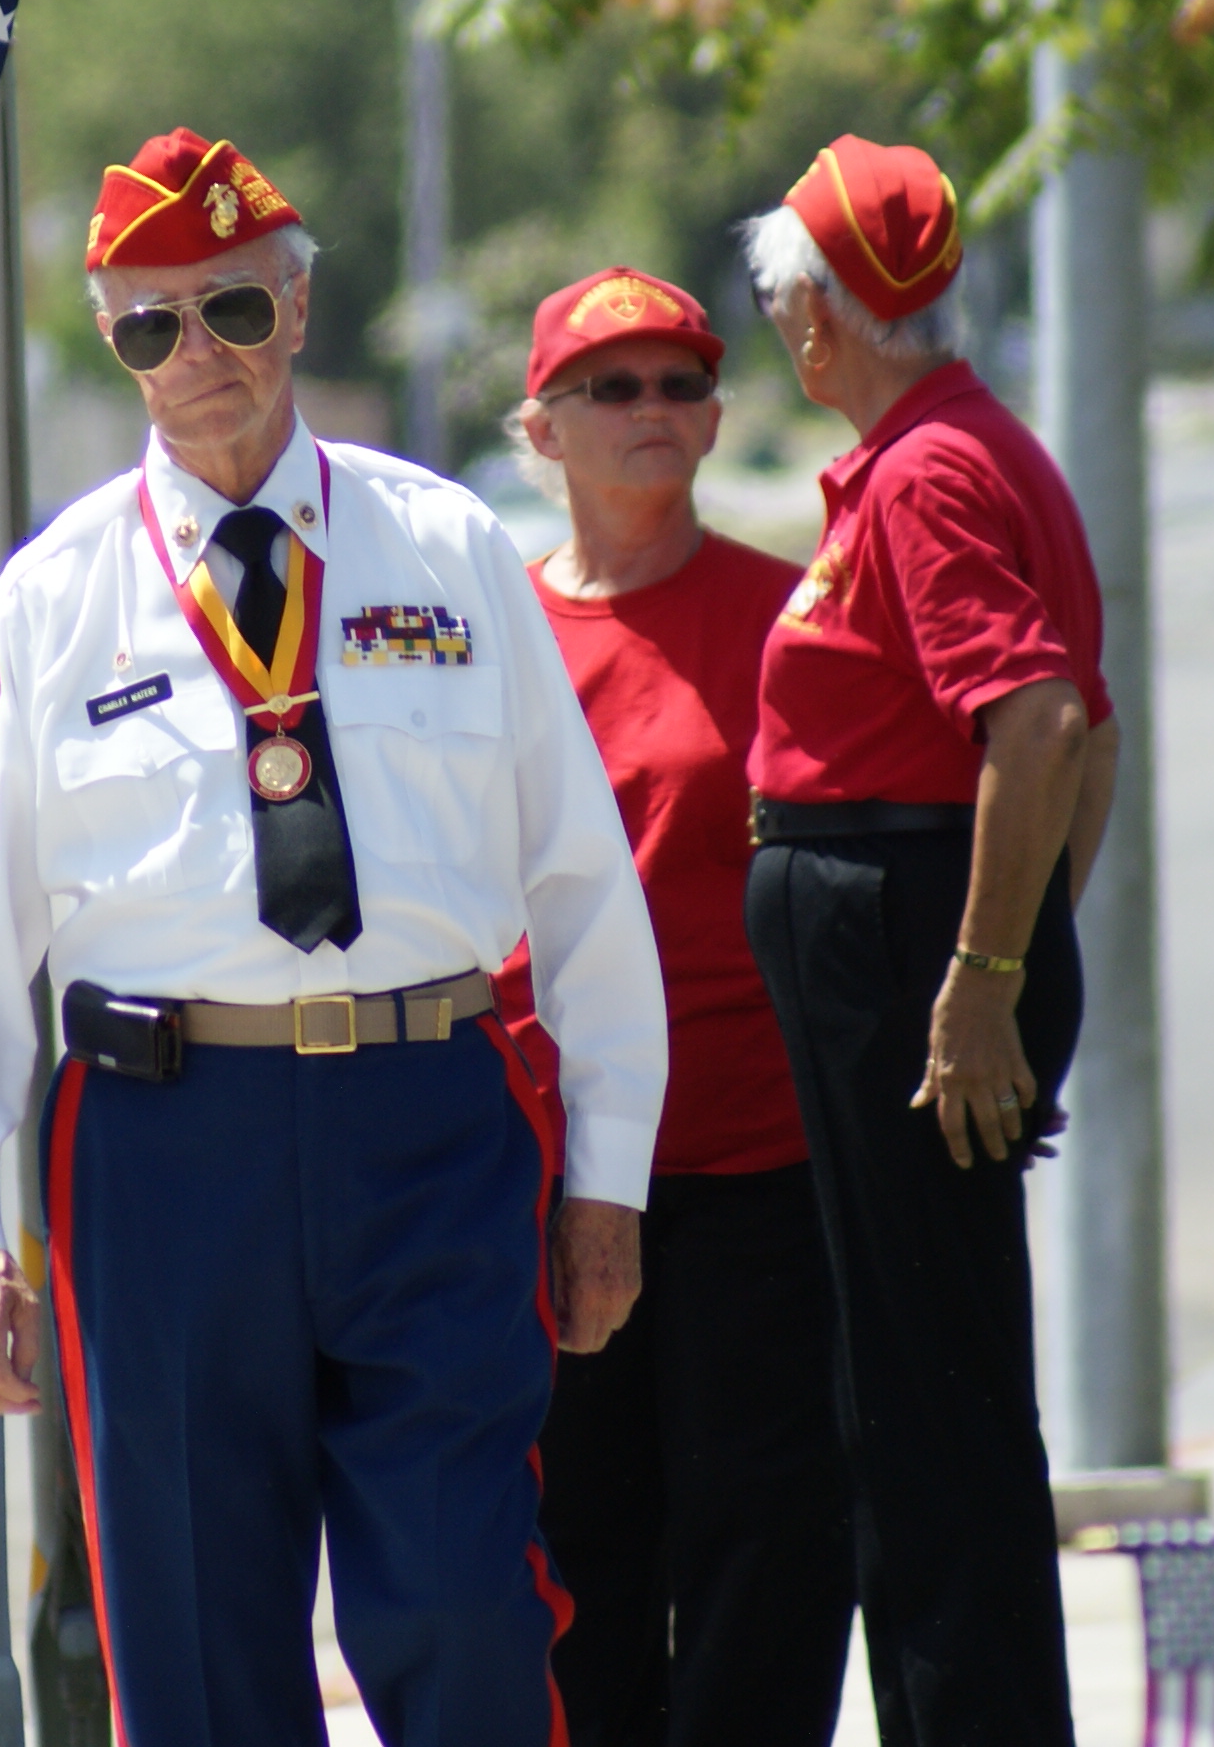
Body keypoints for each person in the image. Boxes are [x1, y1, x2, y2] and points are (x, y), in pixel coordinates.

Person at [0, 129, 666, 1747]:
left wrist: (607, 1176)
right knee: (190, 1643)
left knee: (465, 1606)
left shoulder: (448, 546)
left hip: (429, 1128)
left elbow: (583, 881)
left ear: (299, 306)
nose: (198, 359)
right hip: (168, 1150)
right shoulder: (47, 604)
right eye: (148, 328)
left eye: (232, 309)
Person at [741, 134, 1115, 1747]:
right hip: (912, 943)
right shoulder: (948, 450)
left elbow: (1036, 723)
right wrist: (1020, 948)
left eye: (780, 308)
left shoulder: (933, 472)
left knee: (927, 1415)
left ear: (821, 322)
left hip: (902, 951)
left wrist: (985, 976)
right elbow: (1083, 732)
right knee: (923, 1395)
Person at [497, 268, 849, 1747]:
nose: (654, 411)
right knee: (578, 1552)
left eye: (681, 384)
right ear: (541, 431)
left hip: (754, 1162)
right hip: (549, 1167)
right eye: (612, 386)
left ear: (714, 420)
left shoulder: (790, 619)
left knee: (767, 1549)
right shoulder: (485, 635)